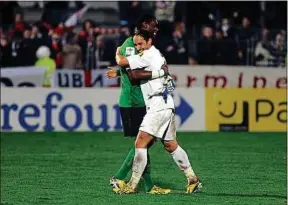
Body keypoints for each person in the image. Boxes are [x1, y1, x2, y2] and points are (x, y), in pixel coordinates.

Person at [113, 29, 202, 194]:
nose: (138, 47)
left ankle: (131, 186)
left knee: (140, 143)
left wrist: (118, 54)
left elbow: (132, 74)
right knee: (171, 145)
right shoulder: (156, 55)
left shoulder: (146, 55)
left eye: (141, 43)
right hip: (166, 104)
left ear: (149, 42)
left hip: (157, 106)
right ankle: (193, 179)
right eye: (136, 44)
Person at [106, 15, 171, 194]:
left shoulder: (144, 46)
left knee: (144, 143)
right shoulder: (131, 44)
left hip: (141, 100)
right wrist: (159, 73)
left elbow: (131, 67)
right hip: (134, 101)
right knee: (143, 142)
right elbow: (133, 72)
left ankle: (144, 184)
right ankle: (121, 178)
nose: (156, 29)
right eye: (153, 26)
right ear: (143, 26)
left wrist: (118, 72)